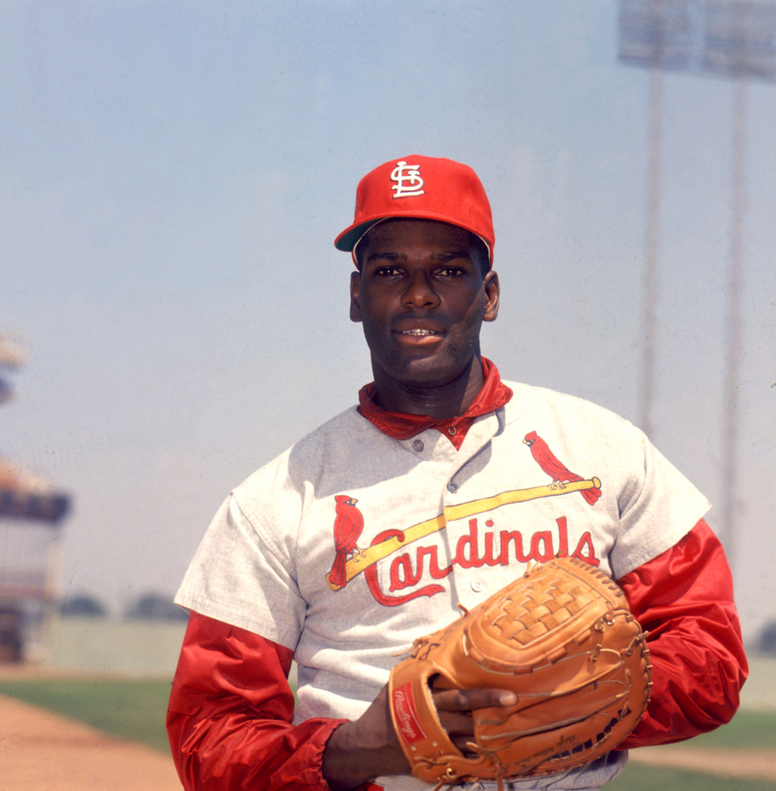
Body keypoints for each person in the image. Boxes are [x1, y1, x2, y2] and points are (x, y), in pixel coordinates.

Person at [167, 155, 747, 791]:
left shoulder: (606, 450)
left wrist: (570, 697)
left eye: (448, 270)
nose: (419, 293)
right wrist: (362, 748)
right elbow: (210, 733)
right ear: (357, 297)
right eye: (389, 271)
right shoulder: (274, 501)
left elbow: (711, 651)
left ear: (489, 294)